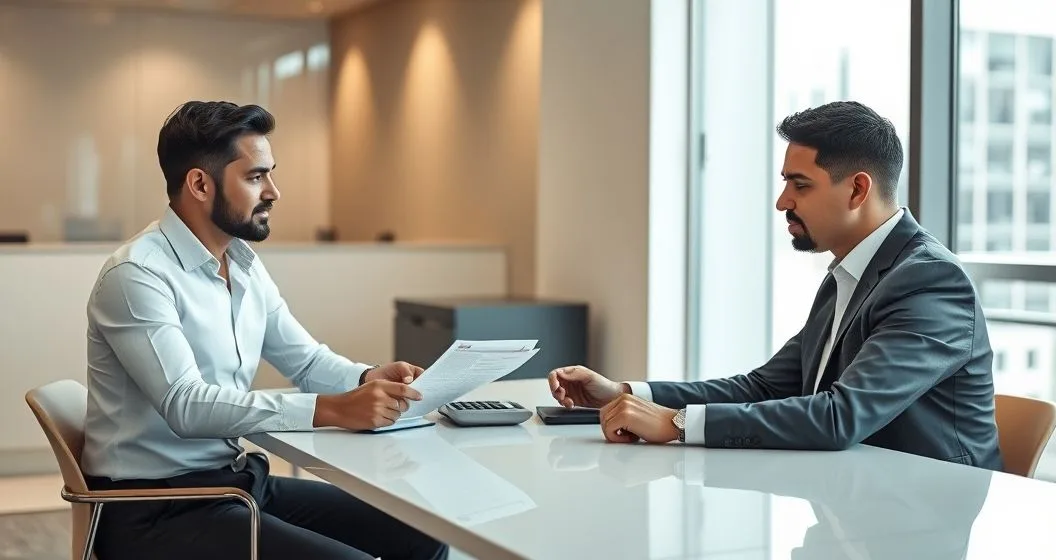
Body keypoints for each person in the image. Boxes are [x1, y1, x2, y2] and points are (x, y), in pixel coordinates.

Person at [81, 101, 448, 560]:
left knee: (423, 534)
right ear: (200, 184)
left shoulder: (243, 265)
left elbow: (306, 361)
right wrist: (332, 409)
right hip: (157, 509)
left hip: (234, 485)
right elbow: (185, 404)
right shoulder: (137, 274)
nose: (273, 191)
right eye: (256, 177)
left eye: (269, 175)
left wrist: (366, 378)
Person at [548, 101, 1003, 470]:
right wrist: (625, 394)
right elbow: (763, 388)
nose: (783, 202)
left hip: (928, 513)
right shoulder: (848, 276)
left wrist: (678, 423)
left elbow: (840, 416)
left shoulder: (930, 281)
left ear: (857, 190)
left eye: (800, 186)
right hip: (855, 495)